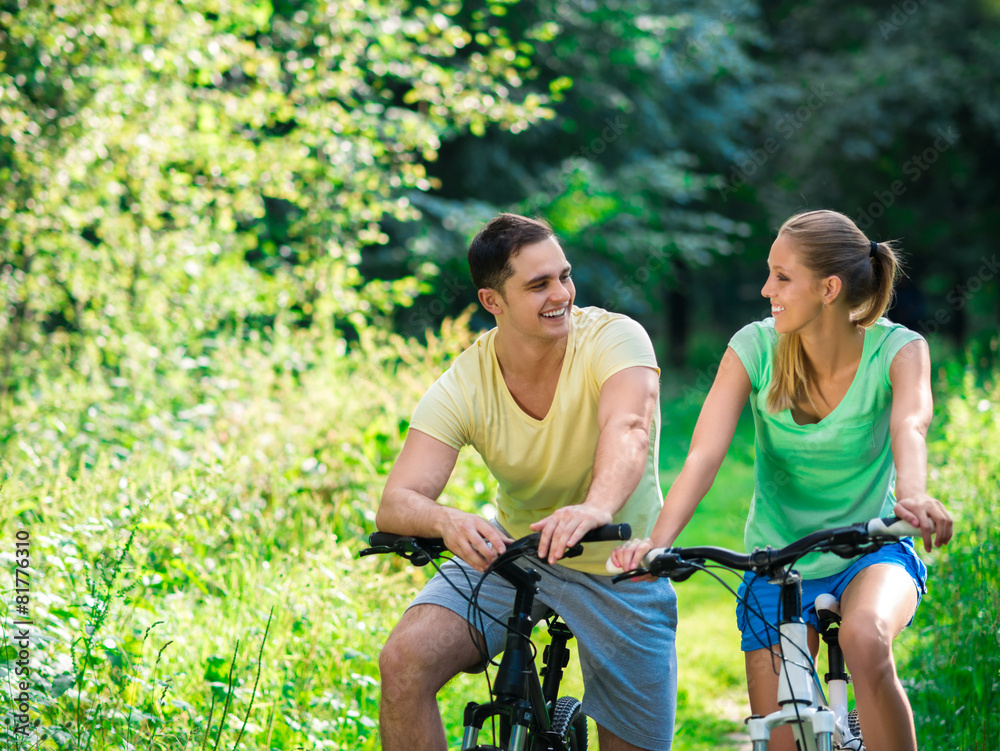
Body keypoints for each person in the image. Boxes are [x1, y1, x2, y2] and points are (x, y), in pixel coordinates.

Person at [611, 209, 953, 751]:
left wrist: (912, 497)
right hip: (777, 562)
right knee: (782, 737)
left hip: (871, 549)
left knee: (865, 638)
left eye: (782, 276)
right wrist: (658, 543)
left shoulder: (899, 350)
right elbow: (703, 455)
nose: (767, 288)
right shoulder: (754, 347)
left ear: (829, 288)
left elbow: (911, 424)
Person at [376, 213, 678, 751]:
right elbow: (397, 501)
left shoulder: (615, 338)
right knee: (403, 661)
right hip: (518, 555)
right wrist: (446, 521)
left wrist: (595, 507)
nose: (560, 293)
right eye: (538, 285)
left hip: (619, 561)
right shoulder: (465, 382)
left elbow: (629, 427)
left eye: (563, 276)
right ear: (493, 301)